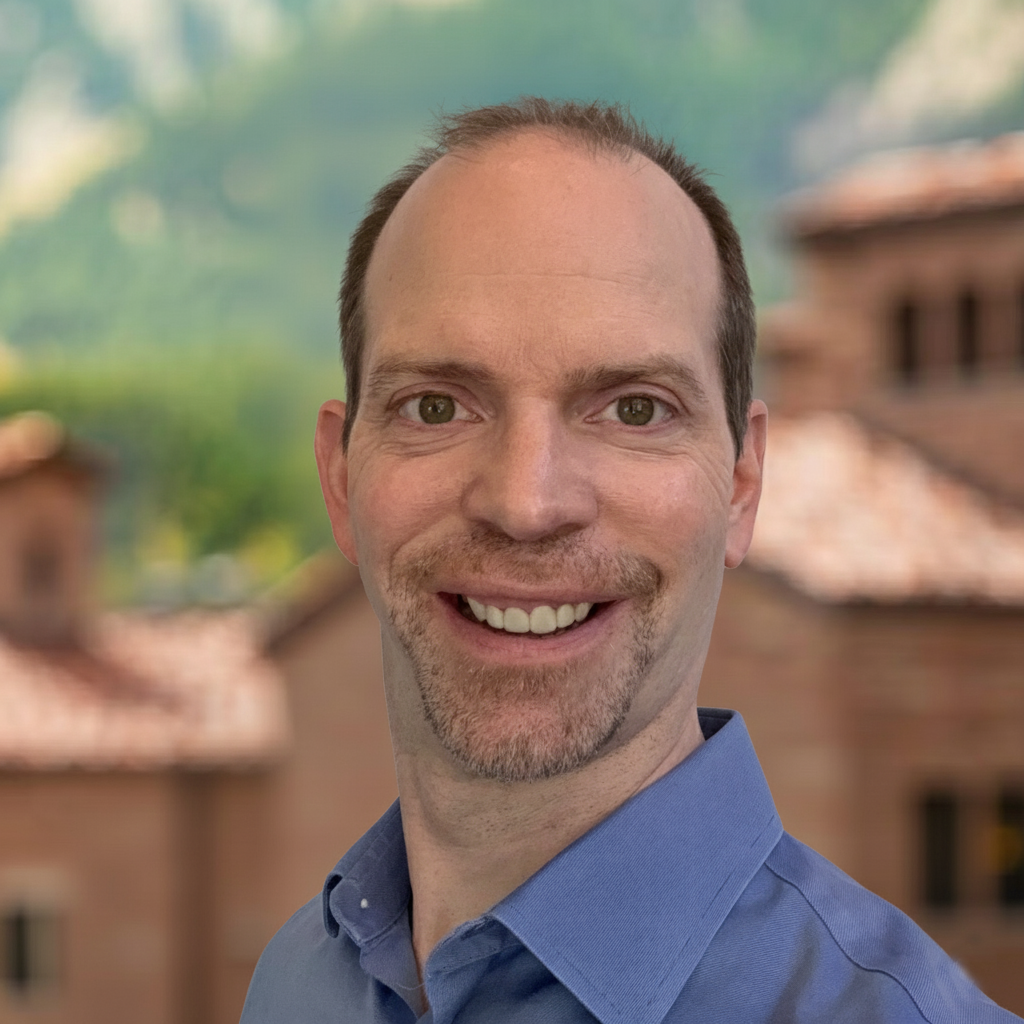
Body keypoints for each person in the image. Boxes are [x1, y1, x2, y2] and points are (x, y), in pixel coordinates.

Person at [240, 98, 1020, 1023]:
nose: (527, 504)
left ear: (741, 485)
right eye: (437, 407)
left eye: (636, 409)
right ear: (340, 478)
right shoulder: (299, 982)